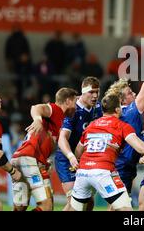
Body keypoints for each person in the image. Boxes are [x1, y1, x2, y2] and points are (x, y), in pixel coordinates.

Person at [66, 94, 144, 211]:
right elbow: (142, 149)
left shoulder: (91, 126)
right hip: (103, 172)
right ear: (117, 109)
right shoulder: (122, 126)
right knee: (126, 209)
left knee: (73, 209)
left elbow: (78, 151)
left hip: (82, 173)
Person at [105, 51, 144, 198]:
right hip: (121, 167)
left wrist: (137, 157)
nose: (135, 95)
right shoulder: (130, 111)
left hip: (124, 165)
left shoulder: (120, 114)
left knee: (118, 205)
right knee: (121, 206)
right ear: (122, 101)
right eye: (130, 93)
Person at [11, 87, 78, 211]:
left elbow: (45, 139)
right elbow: (36, 107)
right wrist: (37, 119)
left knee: (20, 207)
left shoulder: (59, 120)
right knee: (46, 207)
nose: (76, 106)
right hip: (30, 160)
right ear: (68, 101)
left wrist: (44, 159)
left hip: (20, 159)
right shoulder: (56, 110)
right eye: (75, 102)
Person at [56, 77, 103, 210]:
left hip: (84, 159)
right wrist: (71, 156)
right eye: (91, 92)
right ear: (83, 92)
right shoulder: (73, 110)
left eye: (97, 92)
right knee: (75, 202)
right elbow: (62, 138)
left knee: (89, 203)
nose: (95, 96)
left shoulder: (98, 108)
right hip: (67, 159)